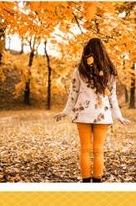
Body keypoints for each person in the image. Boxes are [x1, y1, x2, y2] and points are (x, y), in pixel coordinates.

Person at [54, 37, 131, 183]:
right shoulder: (110, 71)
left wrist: (66, 111)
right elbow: (112, 97)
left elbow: (73, 93)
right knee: (98, 151)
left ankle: (85, 183)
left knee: (85, 150)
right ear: (103, 52)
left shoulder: (80, 70)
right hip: (102, 116)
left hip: (83, 115)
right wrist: (118, 115)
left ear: (87, 51)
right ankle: (96, 184)